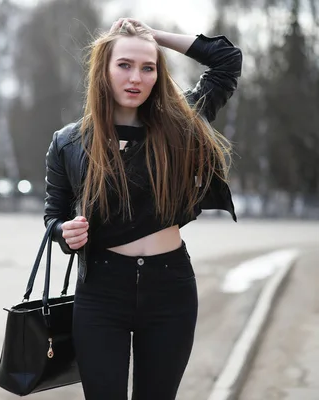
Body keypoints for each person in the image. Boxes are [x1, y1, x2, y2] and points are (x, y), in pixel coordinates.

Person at [43, 18, 242, 400]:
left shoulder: (182, 124)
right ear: (104, 70)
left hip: (170, 290)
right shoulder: (68, 143)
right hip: (101, 292)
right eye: (124, 65)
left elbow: (227, 60)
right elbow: (54, 216)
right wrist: (64, 234)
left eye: (147, 67)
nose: (136, 77)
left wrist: (155, 37)